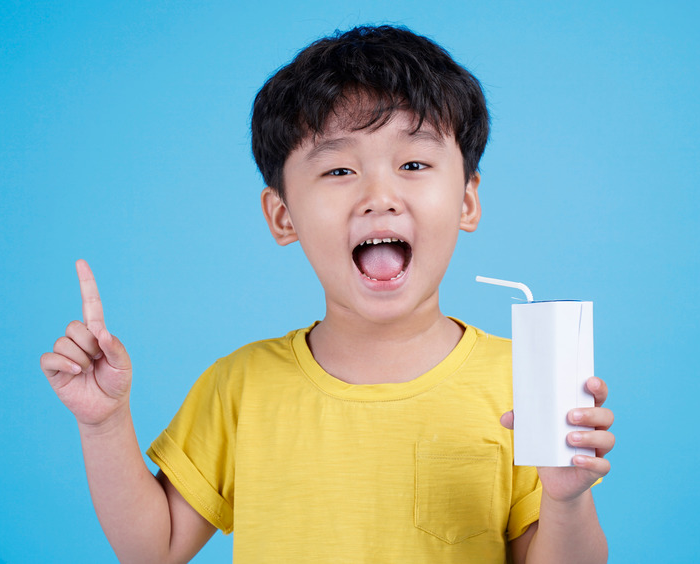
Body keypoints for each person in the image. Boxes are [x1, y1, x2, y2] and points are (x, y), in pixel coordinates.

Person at [39, 25, 614, 563]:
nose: (379, 195)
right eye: (339, 171)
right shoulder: (239, 387)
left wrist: (565, 499)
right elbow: (154, 549)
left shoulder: (524, 383)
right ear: (283, 215)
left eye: (413, 163)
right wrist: (104, 424)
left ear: (467, 200)